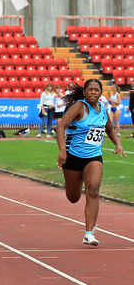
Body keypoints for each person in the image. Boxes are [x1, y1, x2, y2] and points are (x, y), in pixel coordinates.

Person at [55, 79, 126, 246]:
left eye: (97, 90)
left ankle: (89, 233)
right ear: (85, 92)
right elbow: (61, 126)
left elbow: (109, 128)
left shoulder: (102, 109)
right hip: (73, 155)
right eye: (90, 90)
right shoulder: (79, 106)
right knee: (73, 197)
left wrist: (118, 144)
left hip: (93, 156)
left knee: (93, 189)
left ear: (101, 92)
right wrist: (62, 151)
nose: (94, 92)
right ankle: (75, 188)